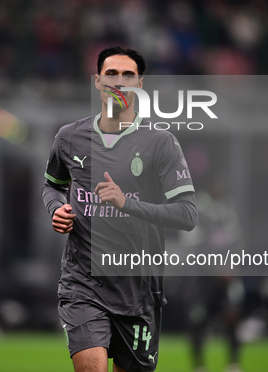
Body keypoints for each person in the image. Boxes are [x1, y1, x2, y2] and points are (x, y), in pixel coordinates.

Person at [42, 46, 197, 372]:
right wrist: (56, 208)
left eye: (128, 75)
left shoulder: (159, 143)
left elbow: (187, 214)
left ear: (140, 85)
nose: (119, 82)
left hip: (138, 290)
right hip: (83, 283)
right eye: (111, 74)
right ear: (98, 81)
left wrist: (128, 203)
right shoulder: (70, 138)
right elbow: (52, 185)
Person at [183, 177, 244, 372]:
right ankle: (199, 364)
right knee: (198, 319)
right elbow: (193, 247)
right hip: (203, 279)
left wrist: (231, 266)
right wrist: (215, 267)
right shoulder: (197, 209)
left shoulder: (228, 210)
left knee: (232, 316)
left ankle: (233, 363)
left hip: (226, 279)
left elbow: (236, 242)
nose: (220, 187)